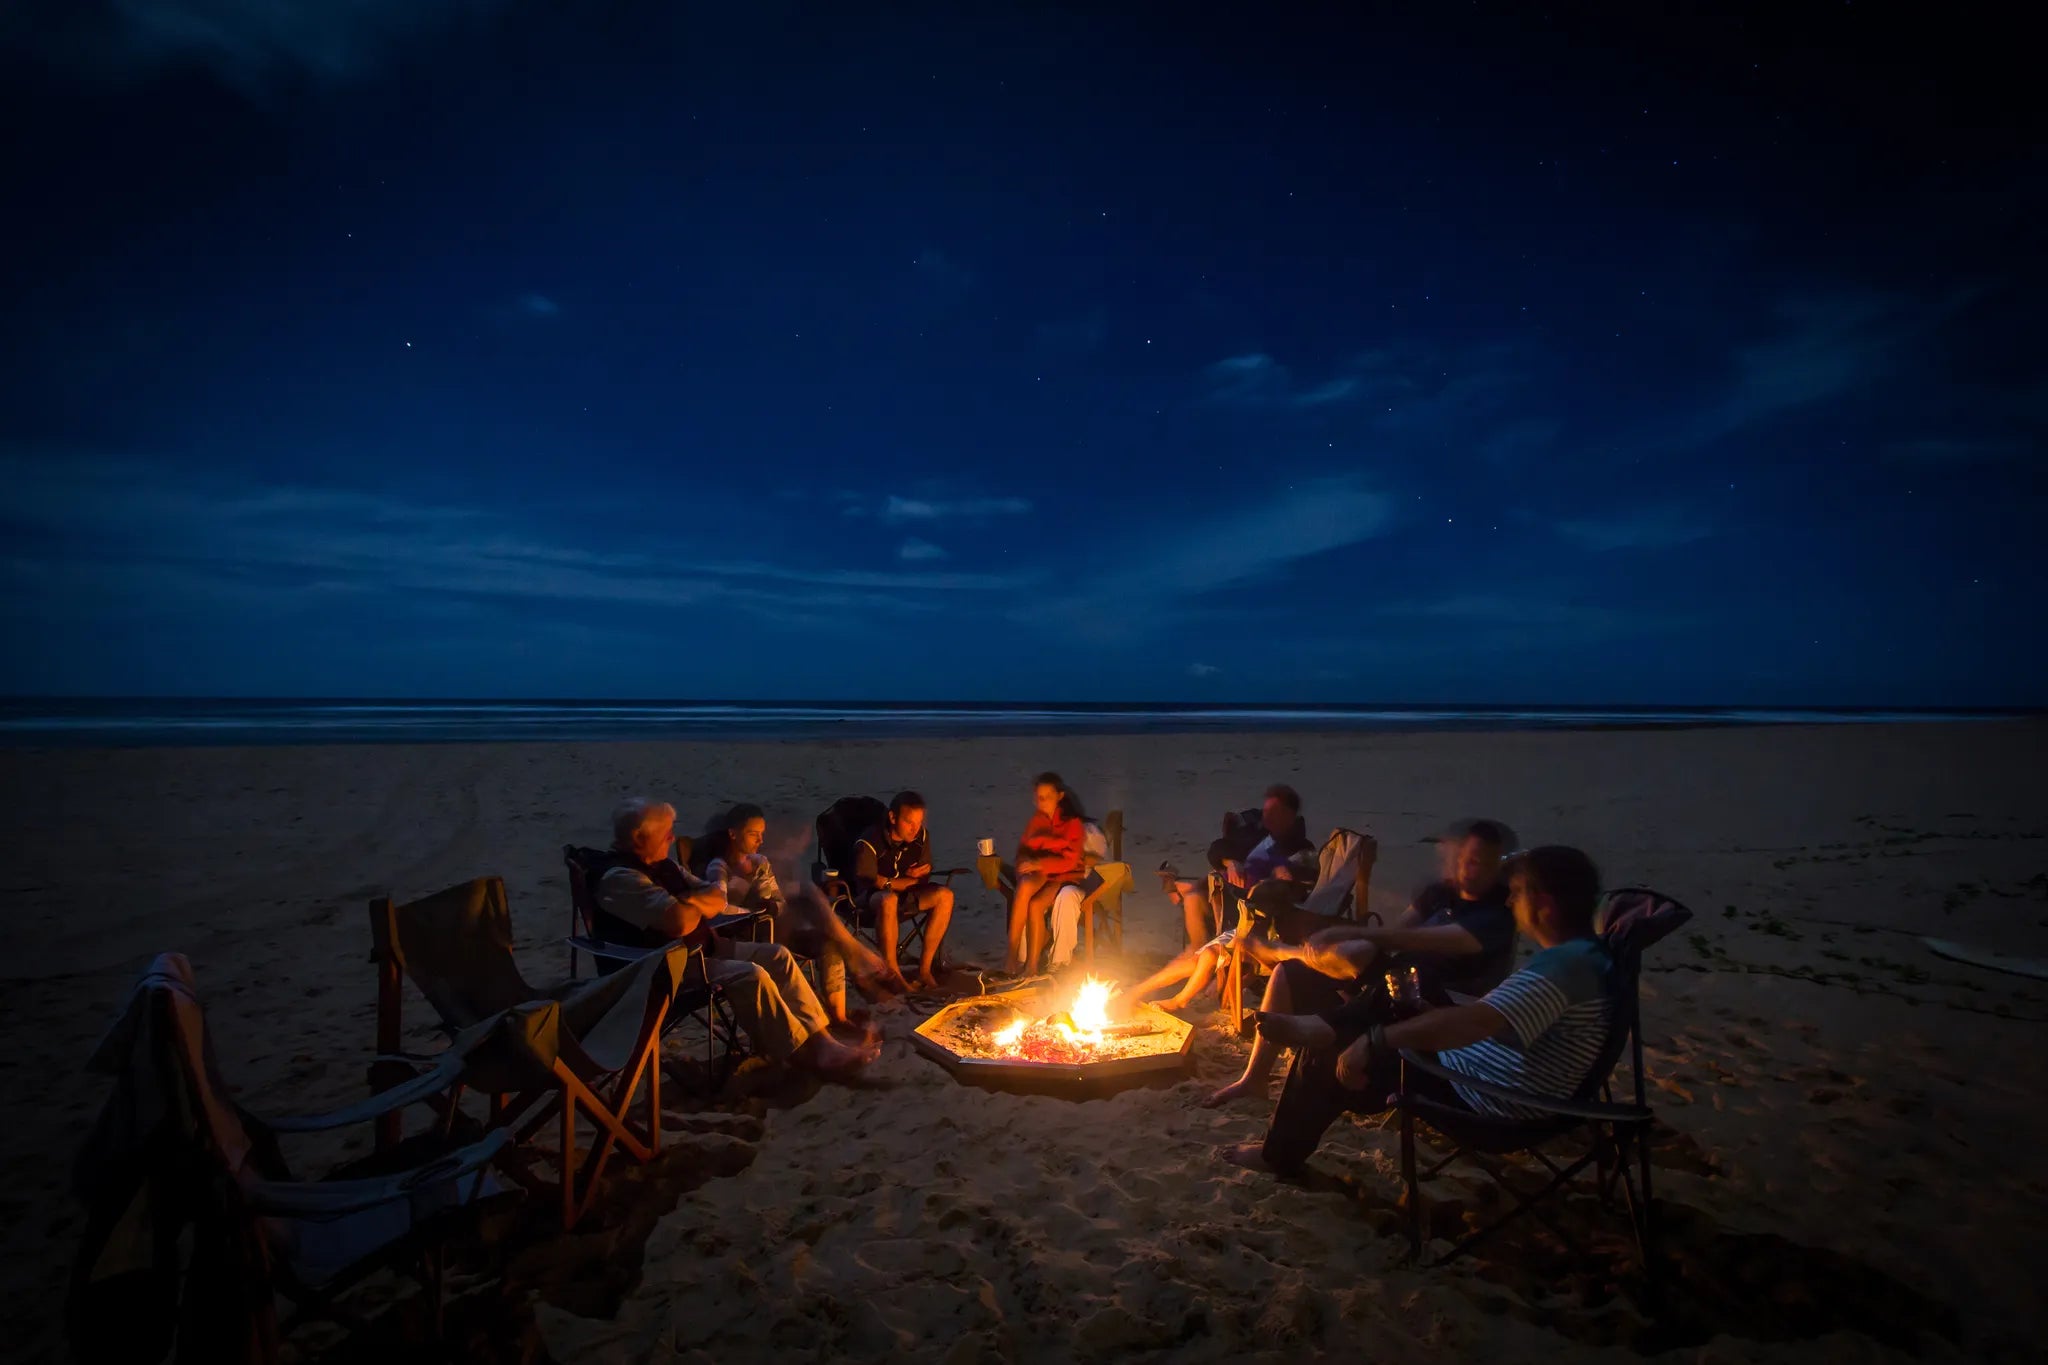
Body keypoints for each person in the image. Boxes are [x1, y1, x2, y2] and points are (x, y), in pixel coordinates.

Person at [1224, 845, 1614, 1176]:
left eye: (1516, 893)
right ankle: (1328, 1024)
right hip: (1491, 1064)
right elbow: (1497, 1021)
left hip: (1487, 1099)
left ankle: (1277, 1156)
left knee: (1331, 1052)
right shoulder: (1587, 955)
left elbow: (1470, 1023)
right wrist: (1423, 1011)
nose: (1510, 901)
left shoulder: (1562, 970)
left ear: (1543, 903)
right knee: (1411, 986)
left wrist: (1375, 1040)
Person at [1202, 818, 1517, 1107]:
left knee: (1359, 951)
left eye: (1478, 862)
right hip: (1393, 985)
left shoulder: (1496, 915)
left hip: (1438, 1006)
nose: (1466, 868)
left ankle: (1287, 962)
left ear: (1498, 867)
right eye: (1463, 858)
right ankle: (1253, 1080)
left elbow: (1407, 940)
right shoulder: (1440, 893)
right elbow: (1398, 931)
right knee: (1289, 974)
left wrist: (1352, 934)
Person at [595, 798, 875, 1076]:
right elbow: (679, 923)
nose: (672, 837)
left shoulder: (665, 866)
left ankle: (823, 1042)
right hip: (665, 967)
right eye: (666, 832)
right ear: (638, 837)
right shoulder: (620, 878)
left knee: (778, 955)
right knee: (752, 974)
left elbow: (716, 897)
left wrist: (686, 902)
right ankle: (800, 1052)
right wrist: (692, 907)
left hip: (705, 949)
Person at [694, 802, 901, 1026]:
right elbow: (719, 909)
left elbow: (777, 902)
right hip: (743, 939)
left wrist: (771, 904)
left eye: (762, 834)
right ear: (732, 834)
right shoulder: (719, 867)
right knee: (808, 894)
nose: (760, 841)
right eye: (753, 834)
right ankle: (857, 959)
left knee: (829, 944)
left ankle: (839, 1017)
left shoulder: (760, 862)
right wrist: (753, 912)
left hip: (773, 929)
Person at [1158, 785, 1315, 948]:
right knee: (1195, 895)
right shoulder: (1254, 833)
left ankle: (1199, 953)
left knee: (1195, 891)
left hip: (1258, 906)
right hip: (1230, 892)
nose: (1266, 815)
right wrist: (1230, 861)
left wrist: (1286, 874)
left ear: (1289, 815)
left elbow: (1309, 879)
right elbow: (1217, 848)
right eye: (1266, 809)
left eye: (1274, 811)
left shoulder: (1301, 846)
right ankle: (1198, 950)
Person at [852, 790, 957, 992]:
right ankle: (893, 973)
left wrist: (913, 877)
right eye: (909, 822)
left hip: (905, 893)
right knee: (888, 899)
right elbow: (872, 881)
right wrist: (899, 882)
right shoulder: (869, 842)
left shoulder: (921, 837)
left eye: (919, 822)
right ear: (893, 817)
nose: (915, 829)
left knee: (945, 896)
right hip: (869, 900)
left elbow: (923, 873)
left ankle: (924, 970)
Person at [1004, 772, 1085, 975]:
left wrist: (1038, 863)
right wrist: (1023, 864)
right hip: (1041, 870)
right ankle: (1011, 957)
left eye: (1046, 797)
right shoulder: (1037, 821)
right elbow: (1023, 849)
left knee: (1036, 905)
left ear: (1059, 796)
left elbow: (1070, 861)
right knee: (1023, 888)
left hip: (1063, 874)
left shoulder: (1072, 822)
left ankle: (1031, 966)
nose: (1041, 802)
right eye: (1038, 797)